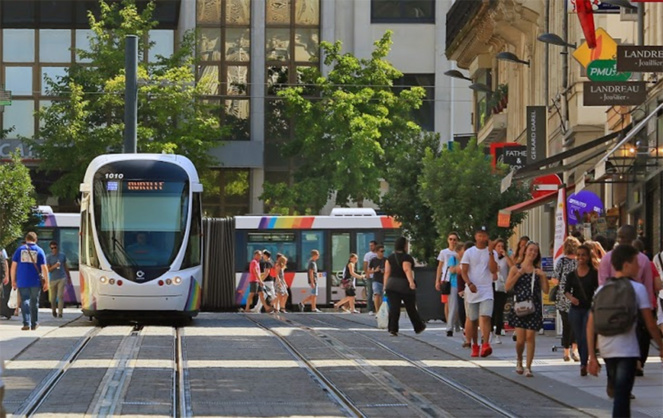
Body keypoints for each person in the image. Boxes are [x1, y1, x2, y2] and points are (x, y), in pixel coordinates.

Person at [587, 244, 663, 418]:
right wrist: (661, 346)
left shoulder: (601, 289)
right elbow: (650, 323)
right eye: (636, 262)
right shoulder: (638, 289)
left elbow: (590, 324)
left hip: (607, 349)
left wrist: (592, 356)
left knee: (619, 394)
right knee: (622, 395)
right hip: (627, 350)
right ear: (627, 264)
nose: (639, 266)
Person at [598, 225, 654, 375]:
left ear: (633, 239)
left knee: (638, 338)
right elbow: (602, 285)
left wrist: (650, 308)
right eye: (620, 237)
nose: (622, 240)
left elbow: (648, 286)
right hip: (613, 308)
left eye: (625, 238)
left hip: (636, 308)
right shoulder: (607, 258)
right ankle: (616, 375)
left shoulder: (642, 261)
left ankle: (637, 364)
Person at [505, 241, 548, 377]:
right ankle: (519, 360)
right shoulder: (515, 268)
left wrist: (543, 276)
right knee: (520, 340)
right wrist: (519, 274)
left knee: (530, 337)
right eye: (530, 250)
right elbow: (507, 287)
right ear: (525, 251)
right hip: (519, 307)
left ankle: (528, 367)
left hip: (533, 307)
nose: (532, 253)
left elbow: (546, 290)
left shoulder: (537, 271)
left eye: (535, 251)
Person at [460, 226, 497, 358]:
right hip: (472, 291)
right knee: (473, 320)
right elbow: (464, 271)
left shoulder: (491, 252)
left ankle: (486, 344)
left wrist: (491, 252)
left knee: (485, 317)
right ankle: (475, 345)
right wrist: (469, 284)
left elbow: (493, 270)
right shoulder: (469, 252)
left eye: (484, 235)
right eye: (480, 235)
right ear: (476, 237)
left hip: (486, 290)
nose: (482, 238)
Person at [564, 244, 599, 376]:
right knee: (579, 337)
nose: (580, 257)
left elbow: (599, 289)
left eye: (583, 255)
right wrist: (571, 298)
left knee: (586, 337)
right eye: (578, 255)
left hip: (589, 309)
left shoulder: (594, 273)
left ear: (588, 257)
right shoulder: (572, 275)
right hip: (575, 309)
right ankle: (584, 362)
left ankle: (584, 363)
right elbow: (566, 290)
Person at [383, 236, 425, 336]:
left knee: (394, 307)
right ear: (404, 246)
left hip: (391, 285)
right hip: (404, 285)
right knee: (410, 307)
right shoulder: (406, 258)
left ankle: (393, 328)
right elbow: (407, 270)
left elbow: (387, 272)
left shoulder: (390, 258)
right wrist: (411, 282)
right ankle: (418, 326)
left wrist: (385, 285)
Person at [11, 232, 49, 331]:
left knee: (24, 300)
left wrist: (13, 280)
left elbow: (13, 267)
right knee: (34, 301)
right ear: (35, 240)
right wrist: (47, 282)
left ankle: (26, 323)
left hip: (22, 280)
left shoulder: (19, 250)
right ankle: (34, 323)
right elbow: (44, 268)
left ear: (26, 239)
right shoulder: (39, 250)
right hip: (35, 281)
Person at [552, 236, 580, 362]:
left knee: (566, 325)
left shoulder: (561, 262)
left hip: (563, 297)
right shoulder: (580, 262)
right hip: (577, 297)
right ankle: (575, 350)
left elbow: (554, 280)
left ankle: (566, 352)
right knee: (576, 325)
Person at [492, 238, 514, 344]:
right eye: (498, 246)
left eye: (502, 246)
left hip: (502, 286)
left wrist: (506, 255)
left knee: (500, 310)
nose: (500, 248)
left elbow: (512, 266)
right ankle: (490, 332)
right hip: (492, 285)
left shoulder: (505, 258)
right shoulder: (492, 257)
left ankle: (498, 333)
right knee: (491, 310)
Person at [436, 232, 460, 325]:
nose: (452, 241)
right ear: (447, 240)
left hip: (456, 279)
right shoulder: (444, 252)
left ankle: (455, 322)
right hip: (446, 279)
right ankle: (448, 323)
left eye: (454, 239)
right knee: (447, 302)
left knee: (456, 303)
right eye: (450, 239)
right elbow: (440, 266)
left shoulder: (458, 253)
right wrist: (437, 281)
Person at [445, 242, 467, 338]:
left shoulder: (467, 259)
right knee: (453, 307)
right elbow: (452, 270)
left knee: (463, 307)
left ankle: (460, 326)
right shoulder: (453, 259)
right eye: (463, 250)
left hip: (465, 284)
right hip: (454, 285)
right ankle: (449, 328)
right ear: (458, 251)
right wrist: (460, 266)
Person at [46, 241, 69, 318]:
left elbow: (65, 266)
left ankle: (60, 312)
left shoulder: (62, 256)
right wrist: (55, 266)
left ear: (57, 247)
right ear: (50, 249)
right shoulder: (49, 257)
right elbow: (48, 269)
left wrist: (68, 277)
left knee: (60, 295)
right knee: (53, 297)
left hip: (62, 277)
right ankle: (53, 310)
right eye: (52, 248)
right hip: (53, 279)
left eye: (55, 248)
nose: (54, 249)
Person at [368, 245, 386, 313]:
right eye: (381, 251)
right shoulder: (373, 260)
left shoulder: (386, 260)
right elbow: (368, 270)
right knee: (376, 294)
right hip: (376, 280)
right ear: (377, 252)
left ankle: (381, 311)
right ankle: (377, 311)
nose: (382, 253)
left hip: (384, 280)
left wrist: (384, 271)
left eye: (383, 251)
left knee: (382, 297)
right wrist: (375, 270)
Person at [363, 240, 378, 314]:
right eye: (370, 246)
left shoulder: (378, 254)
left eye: (372, 245)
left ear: (375, 246)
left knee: (377, 293)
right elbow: (365, 265)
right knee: (370, 293)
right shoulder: (367, 255)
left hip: (378, 277)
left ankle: (377, 308)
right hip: (370, 276)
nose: (371, 247)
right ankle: (370, 309)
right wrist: (366, 273)